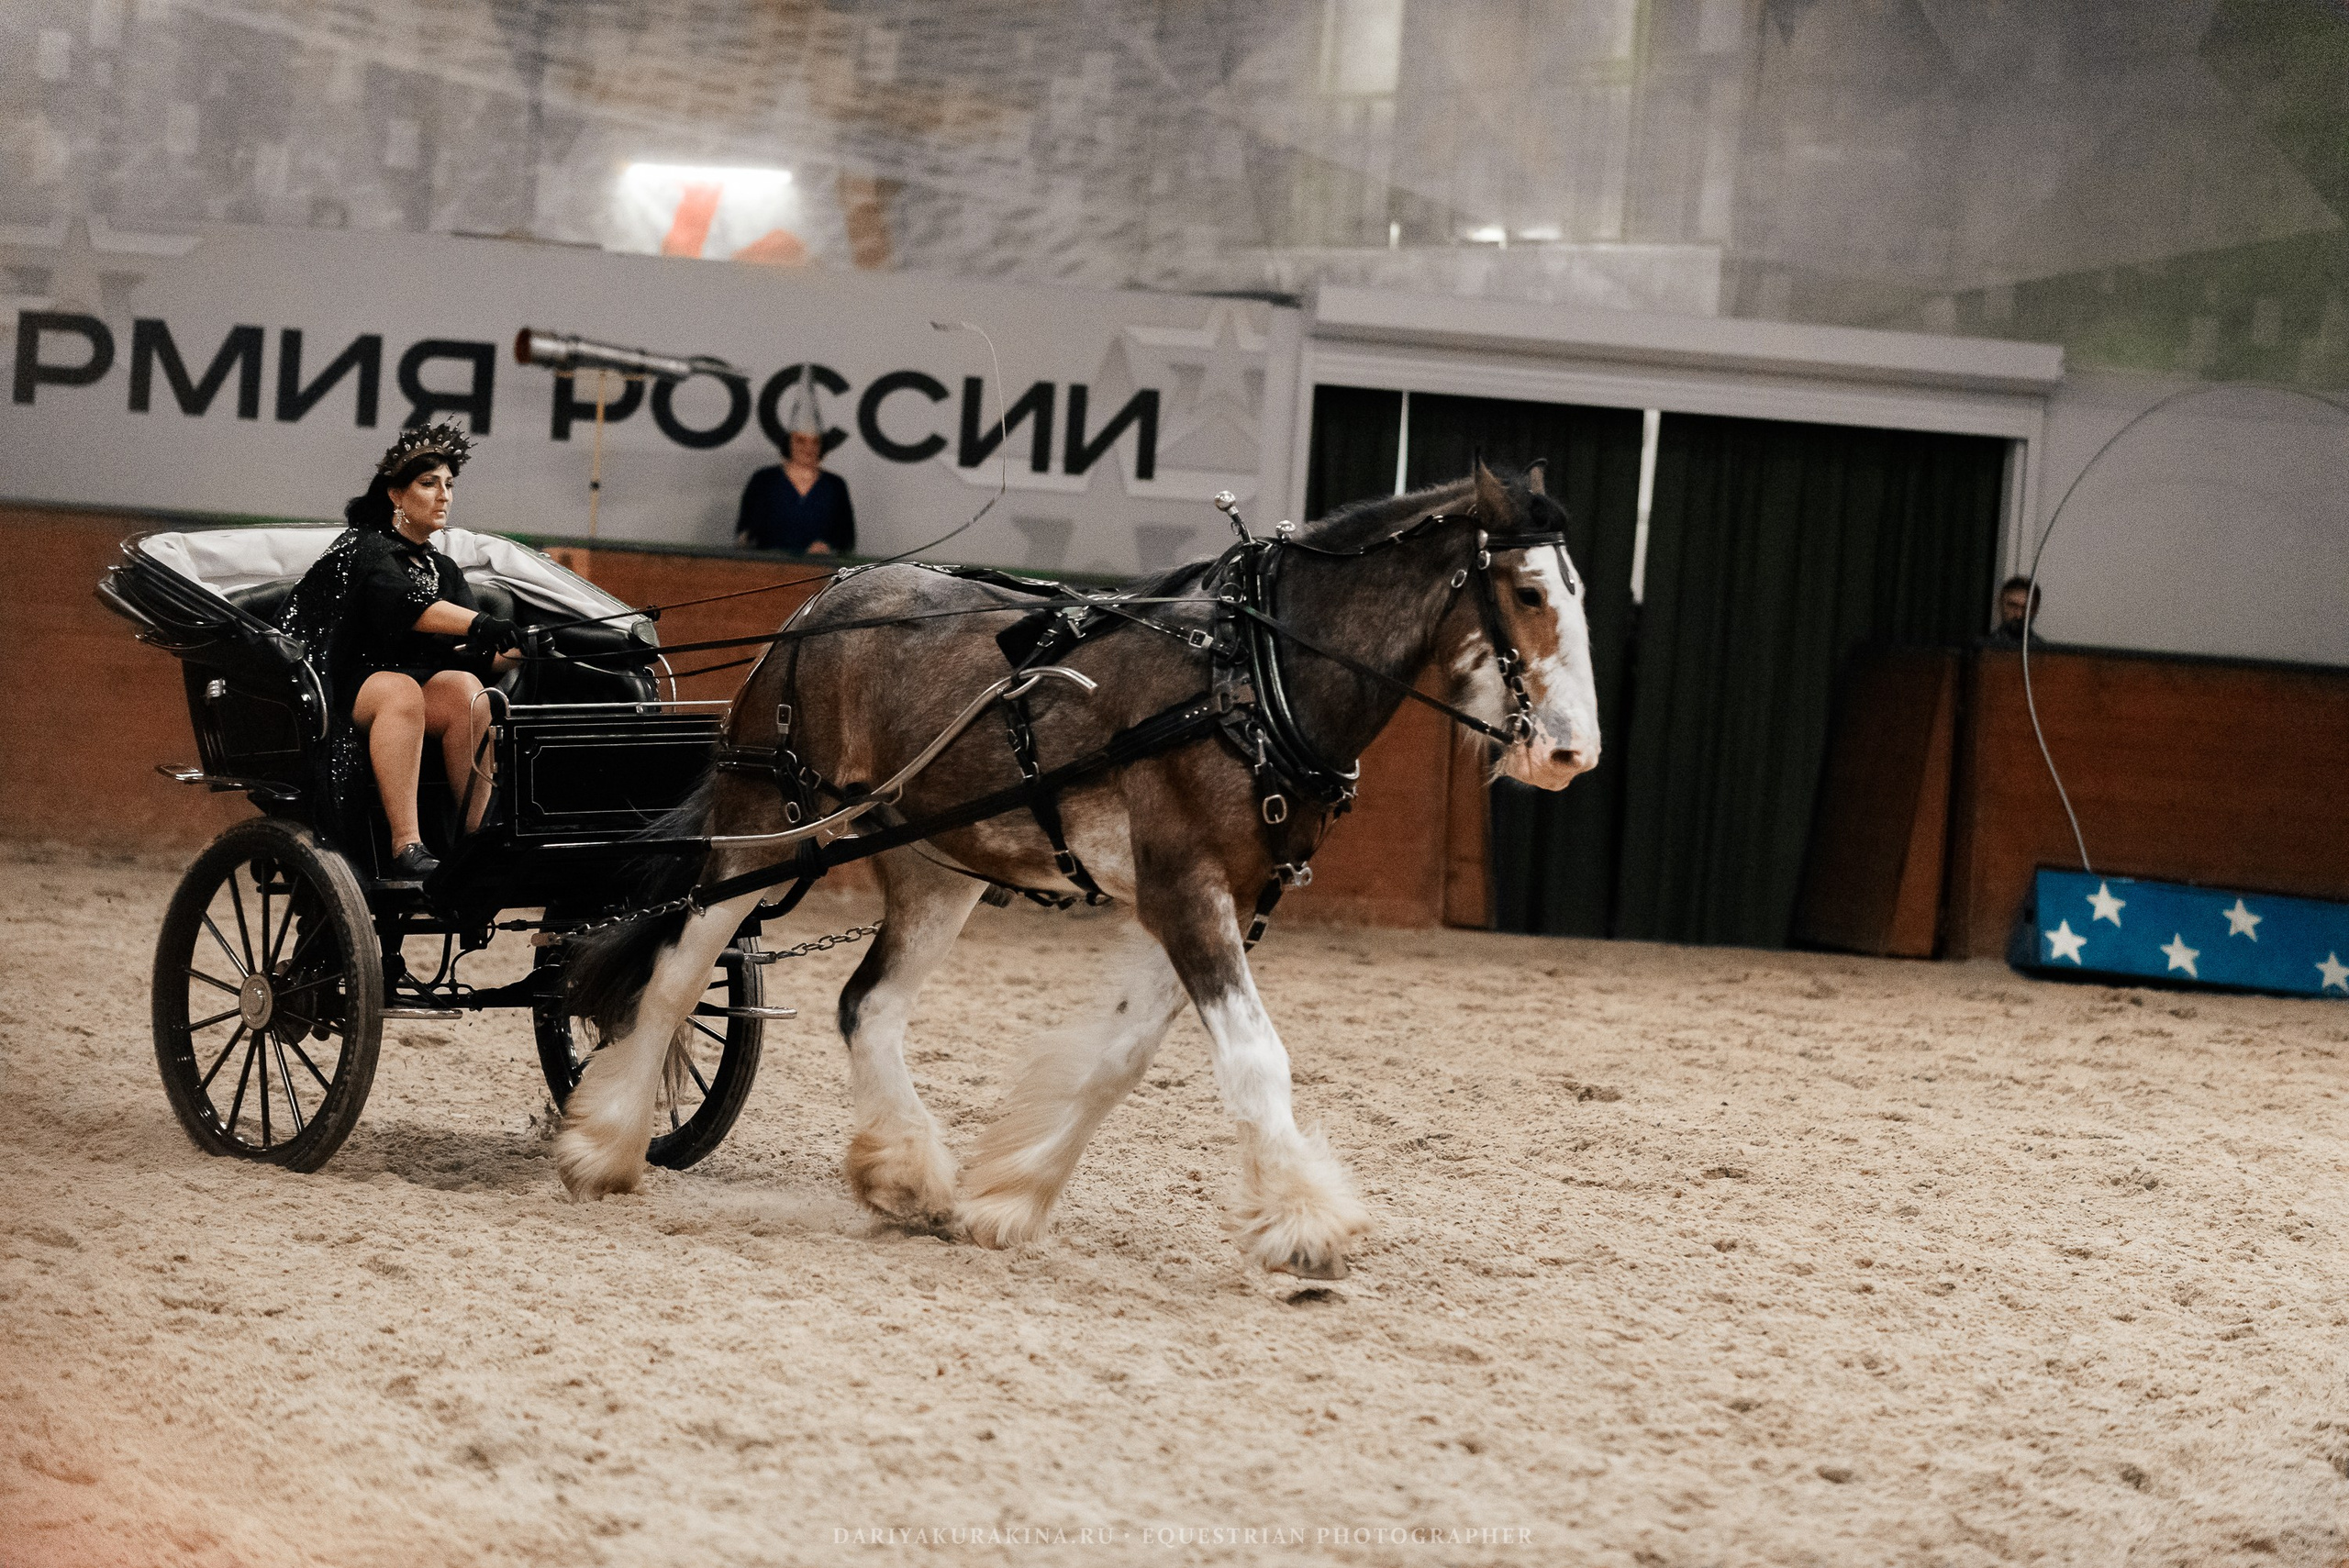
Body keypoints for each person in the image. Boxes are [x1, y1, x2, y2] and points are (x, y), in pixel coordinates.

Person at [273, 423, 524, 884]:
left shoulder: (442, 567)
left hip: (416, 688)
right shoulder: (365, 549)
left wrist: (520, 649)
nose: (443, 495)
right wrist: (484, 623)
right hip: (351, 687)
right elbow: (409, 606)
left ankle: (480, 838)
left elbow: (473, 651)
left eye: (449, 485)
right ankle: (406, 843)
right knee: (400, 691)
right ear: (396, 494)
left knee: (467, 689)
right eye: (429, 484)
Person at [736, 384, 855, 554]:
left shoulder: (835, 485)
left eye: (815, 442)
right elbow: (745, 533)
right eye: (800, 441)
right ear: (788, 444)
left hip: (820, 572)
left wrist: (828, 548)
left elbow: (846, 538)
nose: (808, 448)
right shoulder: (764, 480)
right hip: (768, 570)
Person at [1992, 574, 2044, 644]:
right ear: (2001, 604)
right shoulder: (1983, 649)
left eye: (2026, 608)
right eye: (2012, 606)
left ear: (2035, 610)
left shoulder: (2043, 652)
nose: (2019, 615)